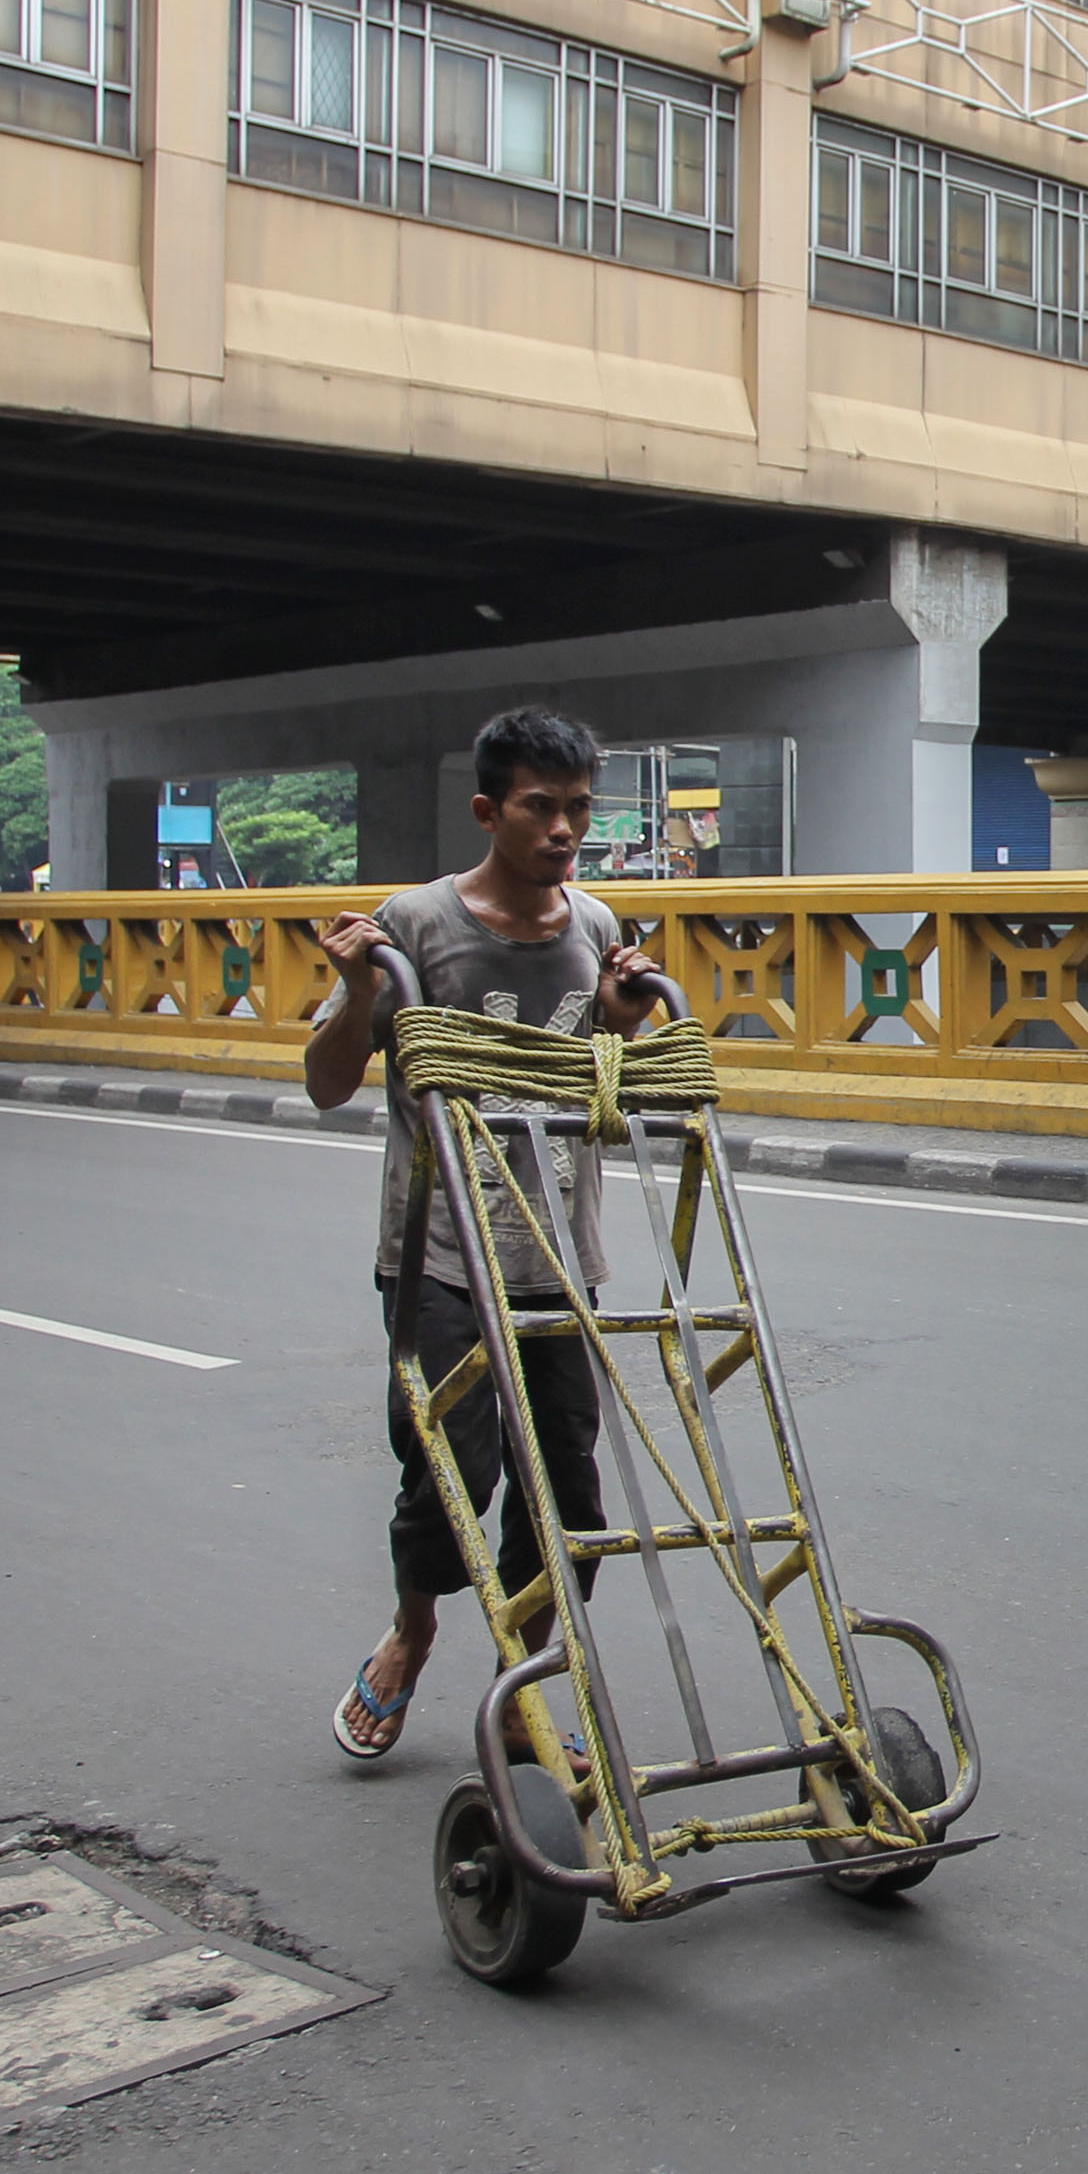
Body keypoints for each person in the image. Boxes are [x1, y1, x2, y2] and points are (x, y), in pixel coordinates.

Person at [308, 706, 663, 1765]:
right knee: (444, 1474)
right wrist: (361, 988)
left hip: (559, 1259)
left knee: (568, 1486)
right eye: (539, 808)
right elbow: (330, 1085)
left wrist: (618, 1020)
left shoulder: (597, 926)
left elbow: (601, 1077)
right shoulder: (412, 925)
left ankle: (525, 1681)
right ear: (488, 811)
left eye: (577, 811)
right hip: (438, 1256)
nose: (562, 831)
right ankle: (413, 1635)